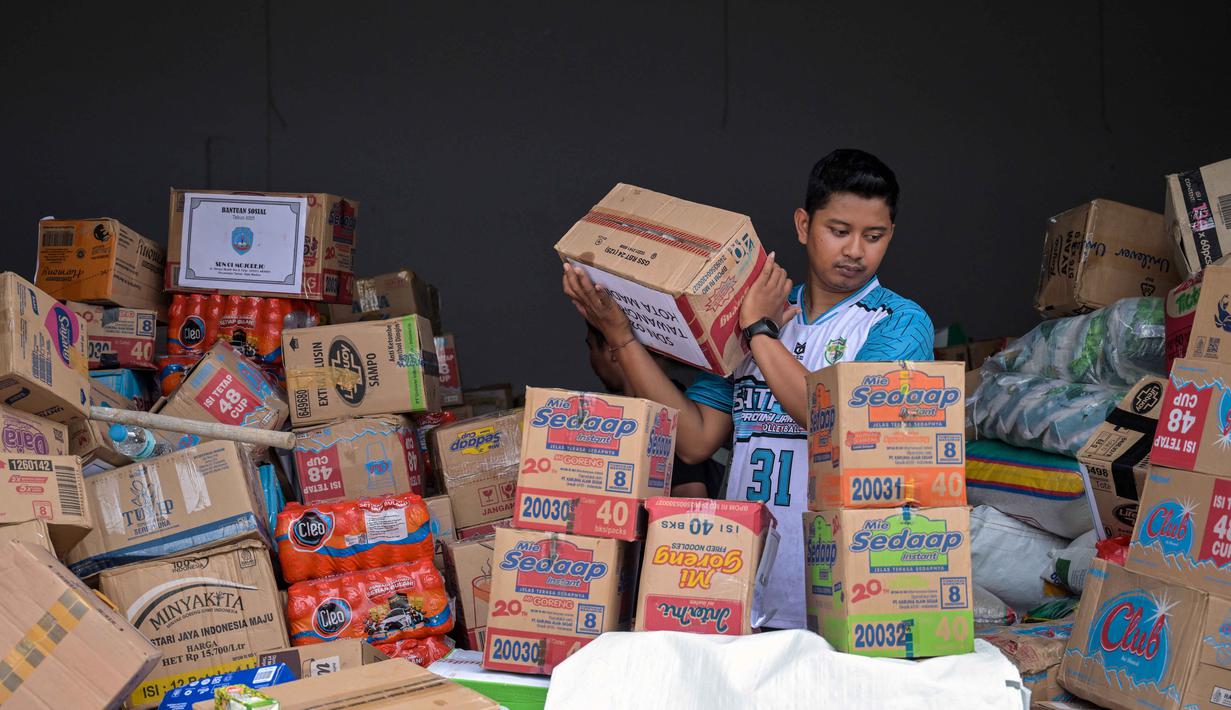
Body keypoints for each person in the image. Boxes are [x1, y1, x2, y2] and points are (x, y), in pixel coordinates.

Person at [562, 149, 933, 630]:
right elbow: (695, 439)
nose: (855, 251)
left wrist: (758, 331)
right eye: (839, 231)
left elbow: (844, 422)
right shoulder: (755, 315)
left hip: (848, 598)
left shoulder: (900, 323)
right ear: (803, 226)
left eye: (874, 236)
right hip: (741, 590)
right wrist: (621, 337)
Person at [584, 323, 725, 498]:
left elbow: (690, 496)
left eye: (591, 347)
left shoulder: (665, 411)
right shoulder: (640, 410)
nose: (591, 358)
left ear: (611, 350)